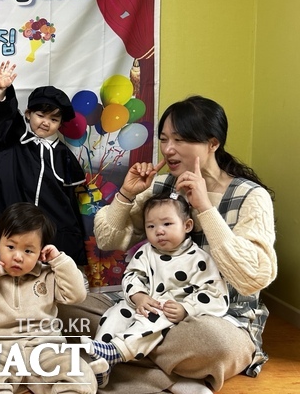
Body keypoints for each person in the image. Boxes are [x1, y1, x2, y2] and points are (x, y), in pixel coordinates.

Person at [84, 95, 276, 393]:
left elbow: (252, 279)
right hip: (150, 308)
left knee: (218, 346)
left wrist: (205, 208)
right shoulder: (162, 186)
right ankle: (173, 376)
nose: (168, 149)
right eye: (164, 139)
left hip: (217, 318)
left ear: (213, 143)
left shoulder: (250, 196)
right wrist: (126, 194)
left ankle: (116, 355)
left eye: (180, 139)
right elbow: (108, 240)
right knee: (69, 305)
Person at [0, 202, 97, 394]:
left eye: (28, 251)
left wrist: (59, 260)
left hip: (46, 348)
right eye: (10, 246)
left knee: (80, 372)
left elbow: (77, 295)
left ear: (41, 251)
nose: (18, 257)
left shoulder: (49, 275)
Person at [83, 192, 229, 389]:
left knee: (156, 316)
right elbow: (132, 276)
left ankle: (117, 351)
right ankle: (101, 361)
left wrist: (186, 309)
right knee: (116, 312)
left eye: (167, 224)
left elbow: (214, 292)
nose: (159, 231)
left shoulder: (199, 259)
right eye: (151, 226)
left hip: (168, 310)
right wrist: (138, 296)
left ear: (187, 226)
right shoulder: (146, 252)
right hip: (143, 303)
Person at [0, 65, 87, 265]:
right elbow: (3, 116)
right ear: (28, 114)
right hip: (14, 225)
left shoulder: (63, 155)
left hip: (52, 232)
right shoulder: (13, 139)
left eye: (53, 119)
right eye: (40, 115)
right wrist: (1, 90)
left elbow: (69, 201)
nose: (45, 123)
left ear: (60, 124)